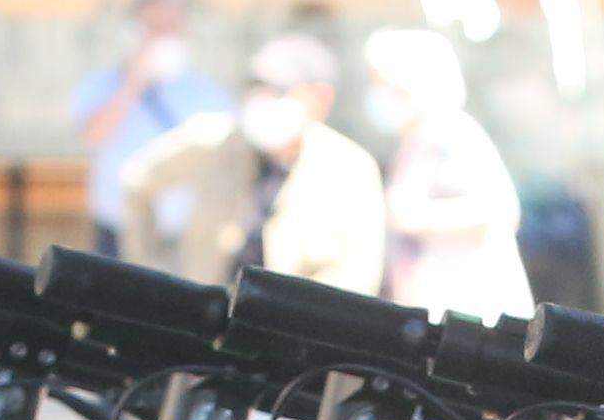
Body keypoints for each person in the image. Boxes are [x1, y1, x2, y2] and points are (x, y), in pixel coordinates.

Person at [114, 32, 387, 293]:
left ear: (319, 99)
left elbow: (358, 274)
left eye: (278, 90)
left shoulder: (349, 168)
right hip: (206, 313)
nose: (262, 100)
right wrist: (156, 271)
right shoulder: (214, 142)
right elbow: (137, 181)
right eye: (257, 87)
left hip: (287, 322)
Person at [365, 27, 531, 322]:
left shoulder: (453, 132)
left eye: (382, 84)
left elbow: (499, 210)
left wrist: (415, 217)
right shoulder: (413, 141)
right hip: (431, 312)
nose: (377, 94)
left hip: (473, 312)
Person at [66, 0, 227, 257]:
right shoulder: (100, 84)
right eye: (153, 27)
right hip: (118, 231)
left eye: (171, 27)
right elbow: (94, 135)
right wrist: (134, 80)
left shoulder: (208, 93)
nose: (163, 36)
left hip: (186, 236)